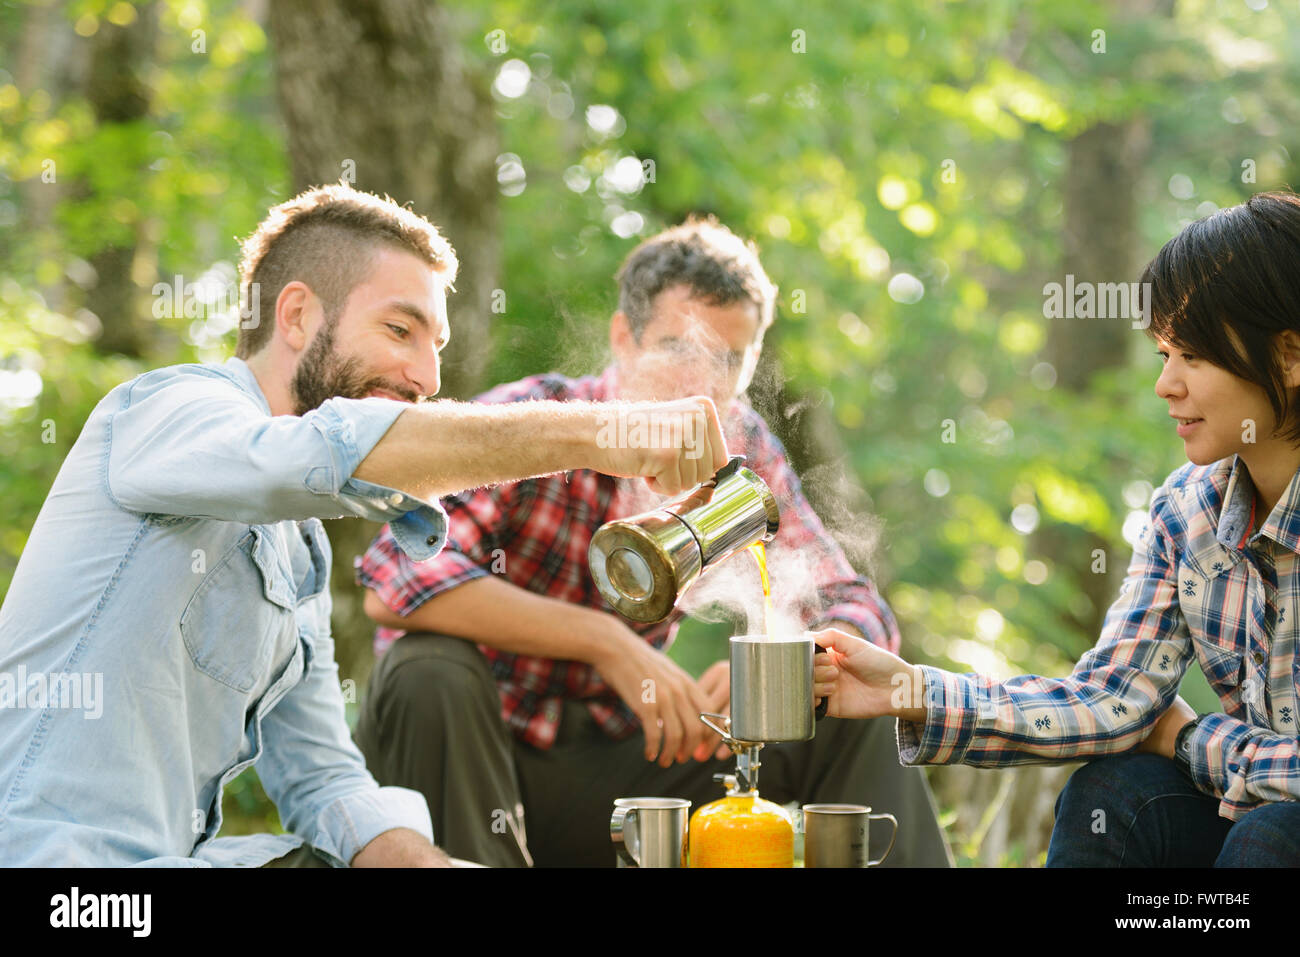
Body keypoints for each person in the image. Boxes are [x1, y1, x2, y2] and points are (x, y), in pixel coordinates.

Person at [0, 184, 726, 867]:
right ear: (296, 316)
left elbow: (321, 776)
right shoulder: (163, 411)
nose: (427, 377)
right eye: (400, 329)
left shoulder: (299, 551)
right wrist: (607, 431)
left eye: (435, 347)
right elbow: (315, 452)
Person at [353, 216, 953, 867]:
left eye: (729, 358)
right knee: (430, 668)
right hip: (466, 766)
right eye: (676, 347)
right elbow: (395, 582)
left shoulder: (742, 450)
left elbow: (855, 605)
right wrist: (603, 640)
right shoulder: (534, 419)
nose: (702, 383)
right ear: (622, 337)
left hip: (618, 780)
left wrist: (791, 658)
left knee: (848, 709)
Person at [811, 191, 1300, 867]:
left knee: (1273, 833)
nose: (1165, 384)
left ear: (1289, 356)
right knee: (1114, 793)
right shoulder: (1185, 514)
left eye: (1192, 355)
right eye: (1162, 353)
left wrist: (1191, 741)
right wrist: (907, 689)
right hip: (1248, 824)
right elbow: (1110, 701)